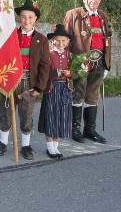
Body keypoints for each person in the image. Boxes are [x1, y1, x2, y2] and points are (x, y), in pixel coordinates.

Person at [0, 0, 50, 160]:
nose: (27, 21)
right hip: (9, 79)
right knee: (5, 112)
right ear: (19, 18)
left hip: (28, 83)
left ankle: (25, 145)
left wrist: (39, 87)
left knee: (26, 114)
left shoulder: (42, 40)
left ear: (35, 19)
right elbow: (1, 57)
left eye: (30, 17)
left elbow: (45, 66)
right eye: (23, 17)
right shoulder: (10, 37)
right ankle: (3, 142)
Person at [63, 0, 111, 144]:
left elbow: (108, 41)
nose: (93, 0)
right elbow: (64, 41)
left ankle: (90, 130)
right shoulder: (73, 15)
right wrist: (68, 65)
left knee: (92, 96)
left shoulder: (104, 17)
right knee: (78, 95)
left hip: (98, 64)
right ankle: (75, 130)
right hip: (79, 64)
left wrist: (107, 64)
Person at [38, 24, 73, 159]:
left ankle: (56, 147)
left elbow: (77, 73)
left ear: (68, 42)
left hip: (65, 90)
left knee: (62, 117)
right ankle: (50, 147)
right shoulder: (49, 55)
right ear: (53, 41)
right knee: (51, 116)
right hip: (51, 89)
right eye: (57, 40)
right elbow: (44, 72)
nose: (60, 43)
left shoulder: (70, 56)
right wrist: (56, 72)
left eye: (64, 40)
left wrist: (71, 73)